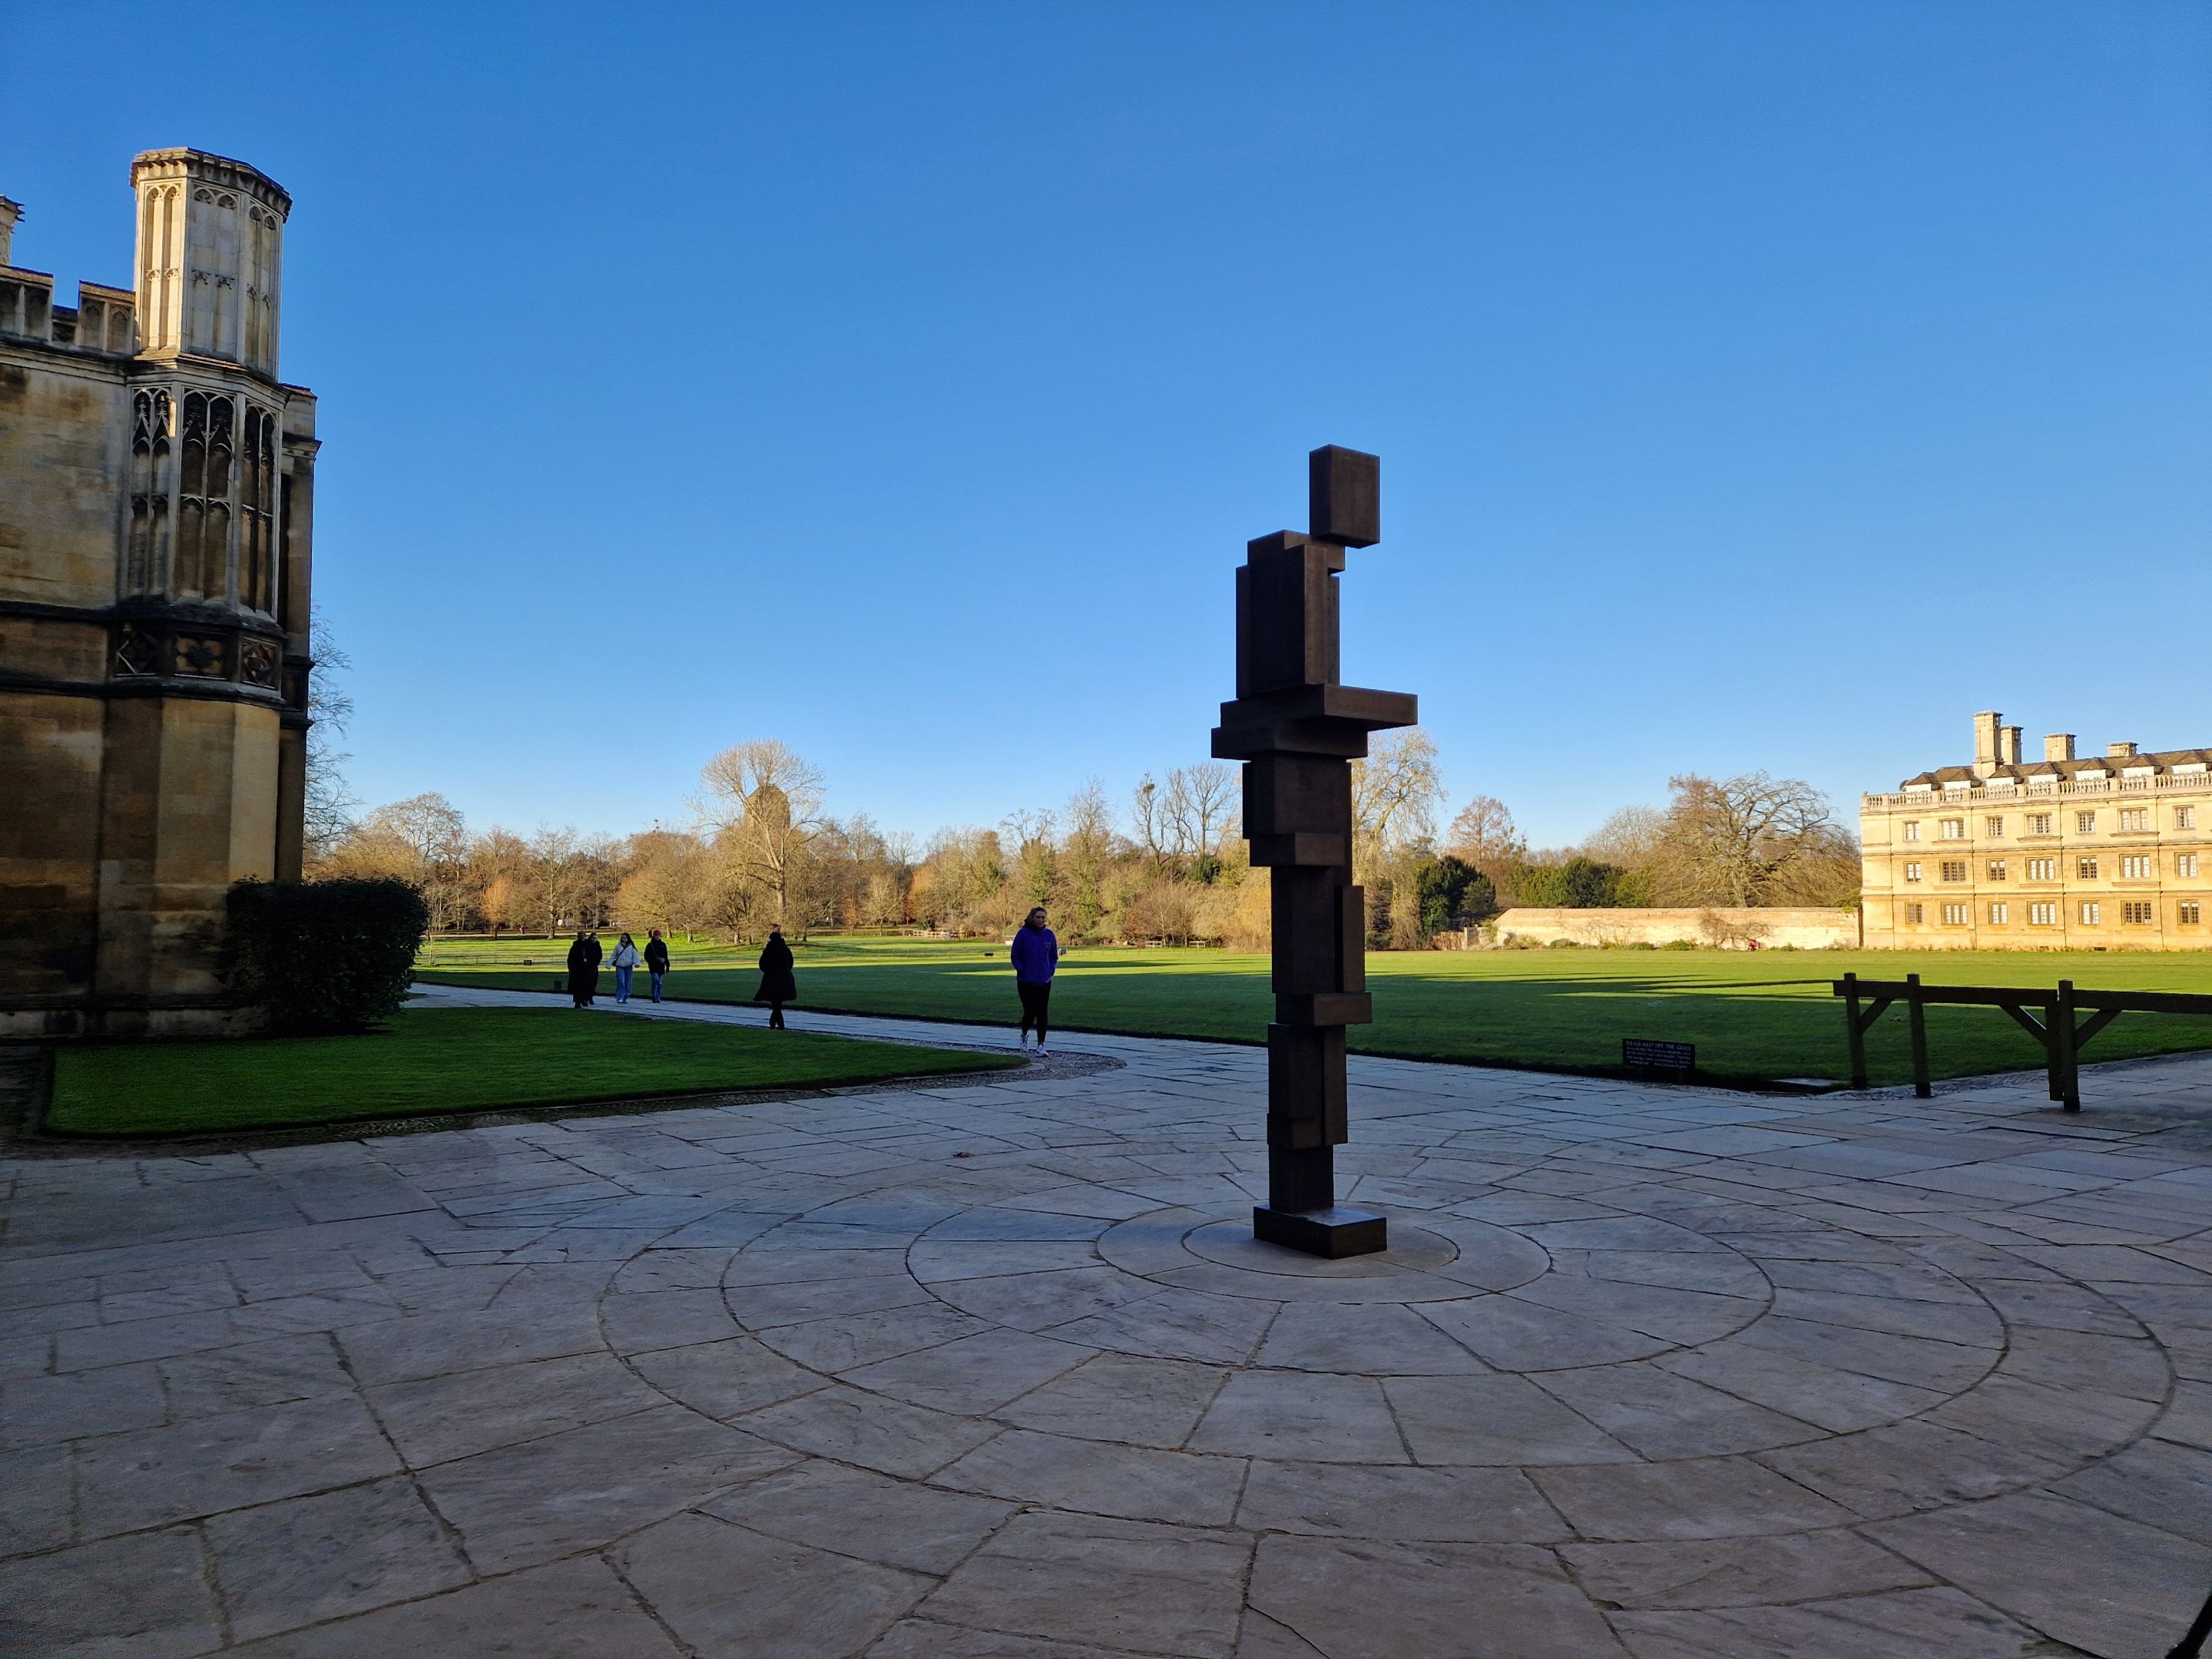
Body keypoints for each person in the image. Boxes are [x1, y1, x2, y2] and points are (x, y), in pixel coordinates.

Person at [1010, 906, 1059, 1053]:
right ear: (1032, 917)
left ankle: (1041, 1045)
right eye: (1038, 917)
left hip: (1044, 980)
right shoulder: (1023, 934)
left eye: (1043, 917)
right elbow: (1015, 955)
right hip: (1026, 981)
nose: (1040, 920)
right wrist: (1023, 971)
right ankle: (1024, 1035)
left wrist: (1050, 971)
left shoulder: (1049, 935)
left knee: (1042, 1012)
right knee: (1030, 1011)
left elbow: (1053, 957)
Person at [756, 926, 796, 1029]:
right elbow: (791, 963)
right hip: (785, 978)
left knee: (776, 1003)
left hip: (772, 979)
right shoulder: (786, 950)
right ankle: (774, 1024)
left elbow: (762, 965)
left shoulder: (768, 950)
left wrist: (769, 971)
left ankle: (778, 1025)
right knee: (778, 1003)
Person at [565, 929, 602, 1008]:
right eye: (581, 936)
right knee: (577, 987)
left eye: (584, 936)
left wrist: (593, 966)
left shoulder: (589, 946)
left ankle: (585, 999)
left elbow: (594, 957)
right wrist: (571, 968)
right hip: (577, 970)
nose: (582, 938)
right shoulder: (575, 947)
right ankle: (577, 1002)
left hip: (588, 970)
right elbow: (571, 959)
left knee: (587, 986)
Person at [611, 932, 641, 1004]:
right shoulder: (618, 946)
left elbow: (635, 956)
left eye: (625, 938)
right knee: (621, 981)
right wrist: (609, 964)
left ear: (628, 939)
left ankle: (625, 997)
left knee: (628, 982)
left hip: (628, 967)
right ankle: (620, 997)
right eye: (622, 938)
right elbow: (613, 955)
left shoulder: (631, 947)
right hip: (620, 966)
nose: (623, 939)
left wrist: (637, 963)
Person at [644, 929, 671, 1002]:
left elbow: (666, 956)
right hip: (653, 966)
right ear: (654, 936)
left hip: (661, 966)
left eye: (659, 935)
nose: (657, 937)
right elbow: (646, 956)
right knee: (655, 980)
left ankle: (658, 997)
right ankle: (653, 995)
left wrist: (667, 966)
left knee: (660, 982)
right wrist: (651, 962)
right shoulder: (650, 945)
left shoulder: (663, 945)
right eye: (656, 935)